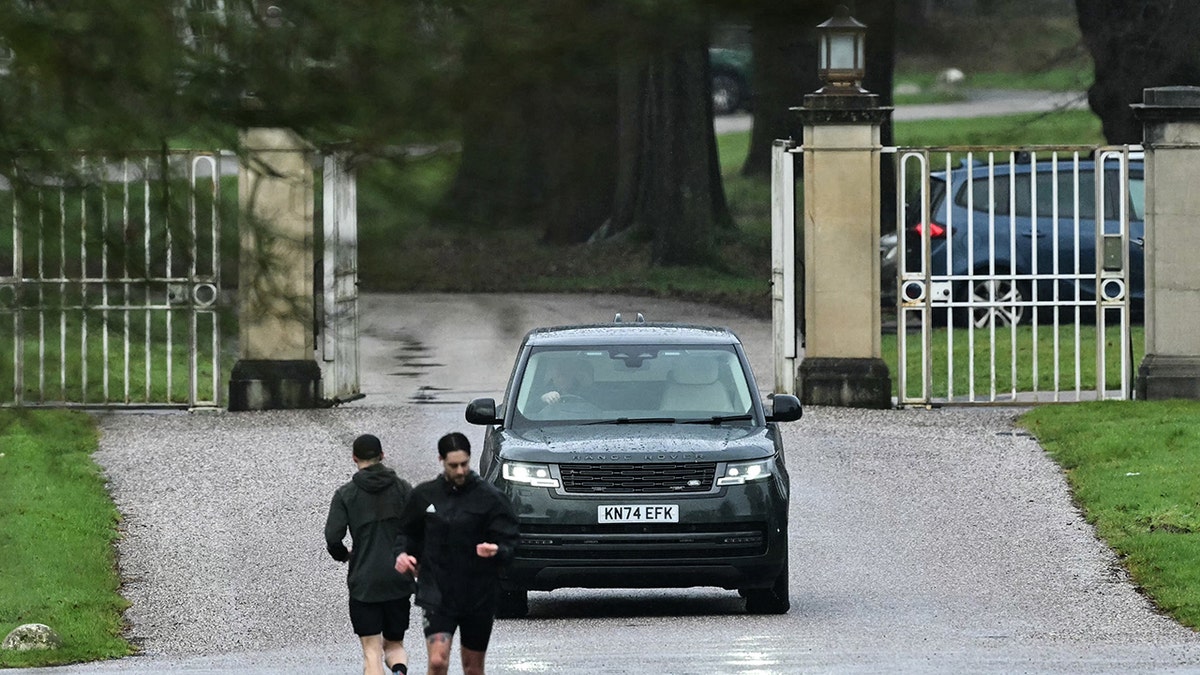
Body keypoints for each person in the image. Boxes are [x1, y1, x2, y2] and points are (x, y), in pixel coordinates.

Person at [393, 432, 519, 675]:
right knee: (438, 662)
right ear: (441, 460)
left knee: (473, 668)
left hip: (478, 595)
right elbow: (405, 533)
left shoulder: (490, 498)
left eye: (464, 464)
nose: (460, 471)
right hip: (437, 592)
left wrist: (497, 550)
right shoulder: (424, 495)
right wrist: (402, 554)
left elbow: (512, 542)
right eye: (454, 465)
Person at [325, 434, 415, 675]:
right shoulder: (403, 488)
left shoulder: (346, 494)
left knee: (372, 651)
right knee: (395, 645)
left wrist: (345, 555)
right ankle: (398, 670)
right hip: (398, 579)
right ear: (382, 456)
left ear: (354, 458)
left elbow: (333, 538)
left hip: (364, 582)